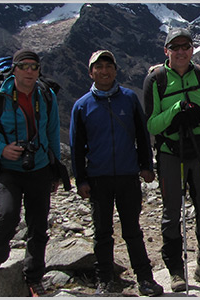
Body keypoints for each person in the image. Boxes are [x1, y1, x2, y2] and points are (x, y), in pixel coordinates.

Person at [69, 50, 164, 296]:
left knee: (132, 229)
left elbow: (142, 136)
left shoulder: (129, 99)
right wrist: (81, 179)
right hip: (98, 178)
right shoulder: (81, 106)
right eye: (98, 67)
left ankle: (145, 279)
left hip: (127, 175)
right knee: (102, 233)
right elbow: (76, 146)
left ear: (115, 69)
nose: (104, 71)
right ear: (90, 72)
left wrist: (146, 166)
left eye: (108, 65)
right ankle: (105, 281)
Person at [0, 49, 60, 296]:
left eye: (34, 67)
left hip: (39, 167)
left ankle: (34, 277)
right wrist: (1, 149)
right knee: (7, 215)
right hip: (8, 169)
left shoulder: (46, 95)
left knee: (38, 225)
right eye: (24, 66)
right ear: (14, 69)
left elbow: (53, 133)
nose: (29, 71)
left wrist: (56, 170)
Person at [142, 27, 200, 292]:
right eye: (175, 47)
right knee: (171, 213)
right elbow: (152, 125)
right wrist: (176, 111)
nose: (181, 52)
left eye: (185, 47)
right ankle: (176, 271)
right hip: (170, 154)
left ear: (192, 49)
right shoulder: (156, 80)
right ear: (166, 51)